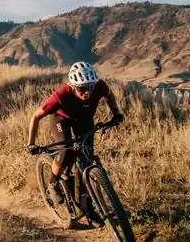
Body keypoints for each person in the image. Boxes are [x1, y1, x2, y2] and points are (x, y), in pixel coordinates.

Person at [26, 61, 125, 206]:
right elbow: (36, 116)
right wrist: (31, 143)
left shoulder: (100, 86)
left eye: (90, 87)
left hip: (84, 119)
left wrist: (116, 113)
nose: (87, 92)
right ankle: (53, 184)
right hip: (61, 120)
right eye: (81, 88)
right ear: (73, 86)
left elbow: (109, 96)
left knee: (86, 156)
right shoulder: (61, 95)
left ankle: (87, 205)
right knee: (65, 150)